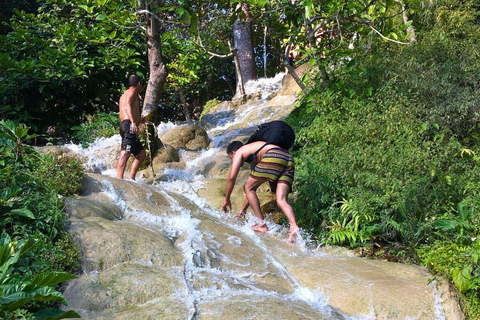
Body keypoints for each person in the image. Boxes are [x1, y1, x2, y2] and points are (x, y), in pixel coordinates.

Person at [222, 140, 300, 243]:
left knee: (248, 186)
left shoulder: (240, 152)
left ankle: (262, 224)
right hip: (288, 157)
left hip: (273, 155)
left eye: (231, 158)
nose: (233, 160)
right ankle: (294, 225)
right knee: (281, 200)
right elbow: (252, 190)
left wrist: (227, 199)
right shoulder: (257, 153)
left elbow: (232, 178)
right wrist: (243, 210)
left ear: (233, 153)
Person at [116, 74, 146, 180]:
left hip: (126, 125)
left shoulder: (125, 94)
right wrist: (133, 122)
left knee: (141, 154)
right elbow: (127, 106)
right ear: (139, 84)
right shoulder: (132, 92)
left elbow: (128, 109)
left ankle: (132, 179)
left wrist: (139, 120)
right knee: (125, 153)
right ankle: (119, 180)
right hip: (128, 125)